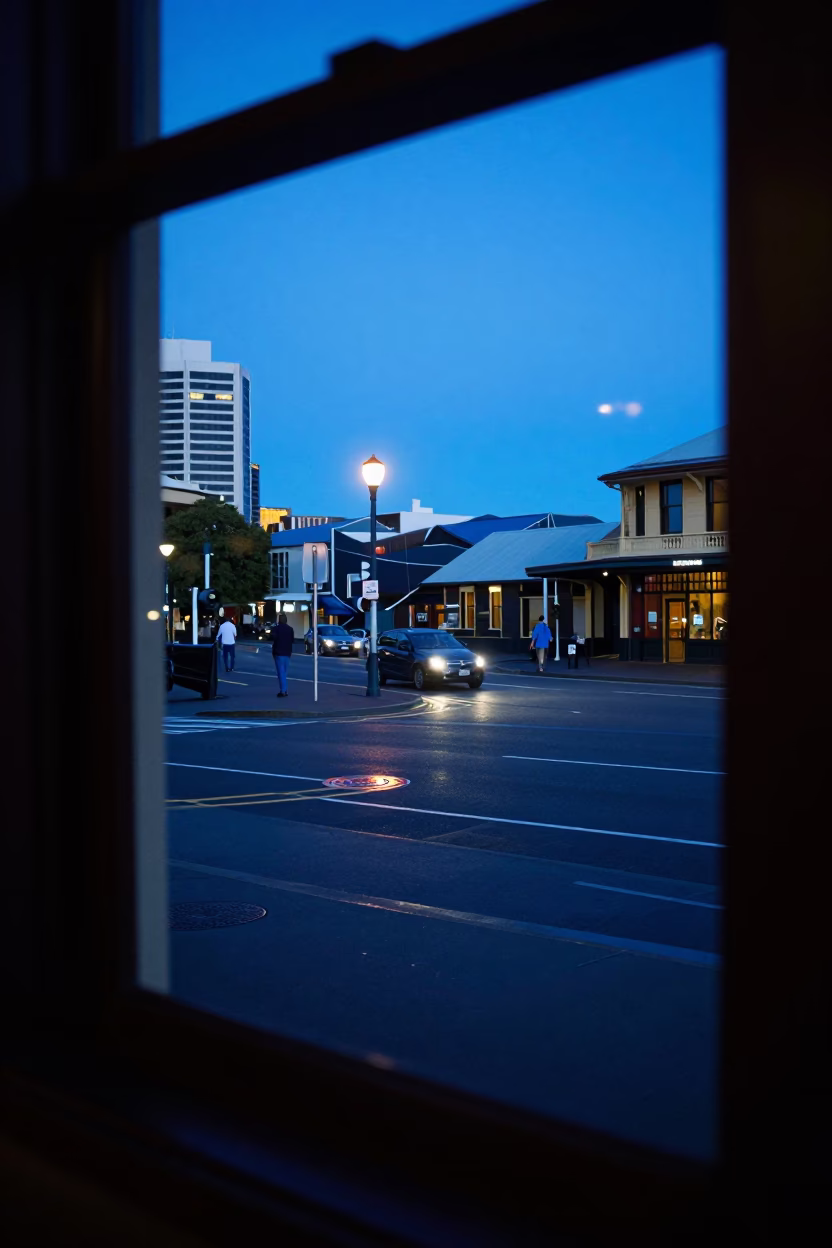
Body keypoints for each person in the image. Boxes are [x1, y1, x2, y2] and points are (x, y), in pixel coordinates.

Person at [271, 611, 295, 697]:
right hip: (287, 652)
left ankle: (283, 690)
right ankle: (285, 689)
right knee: (284, 672)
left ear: (279, 620)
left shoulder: (276, 629)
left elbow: (273, 638)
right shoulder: (290, 629)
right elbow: (292, 640)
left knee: (281, 672)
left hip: (278, 652)